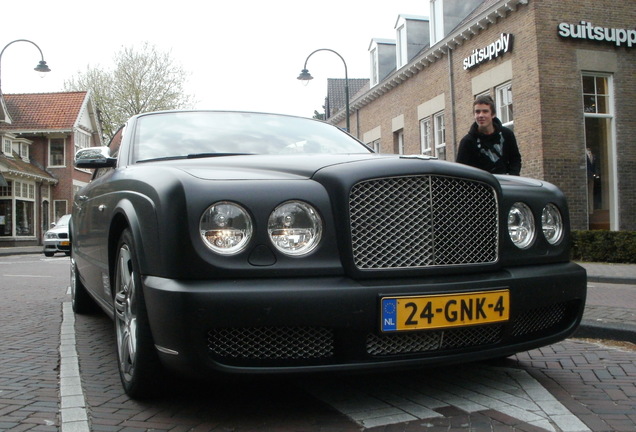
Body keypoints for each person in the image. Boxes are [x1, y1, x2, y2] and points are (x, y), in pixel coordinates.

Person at [456, 95, 521, 175]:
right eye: (477, 112)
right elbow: (460, 171)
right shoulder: (467, 142)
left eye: (485, 111)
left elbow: (515, 159)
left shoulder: (507, 135)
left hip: (506, 184)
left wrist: (512, 178)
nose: (481, 115)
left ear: (493, 114)